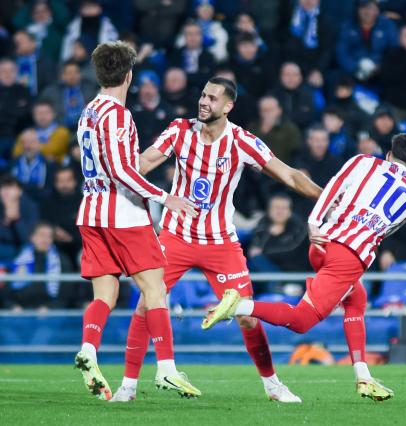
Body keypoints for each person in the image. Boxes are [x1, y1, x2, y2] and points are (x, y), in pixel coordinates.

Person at [112, 76, 323, 403]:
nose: (204, 102)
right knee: (145, 303)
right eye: (203, 95)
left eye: (212, 98)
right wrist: (111, 170)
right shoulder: (180, 130)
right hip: (176, 237)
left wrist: (326, 201)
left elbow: (289, 175)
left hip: (221, 243)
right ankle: (127, 386)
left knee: (247, 316)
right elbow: (143, 164)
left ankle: (272, 384)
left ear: (228, 106)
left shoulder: (241, 141)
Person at [202, 133, 406, 402]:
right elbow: (385, 232)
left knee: (357, 298)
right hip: (348, 258)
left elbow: (333, 187)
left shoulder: (364, 162)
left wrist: (315, 223)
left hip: (321, 243)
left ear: (389, 154)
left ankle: (363, 376)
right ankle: (237, 306)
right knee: (300, 321)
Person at [74, 41, 200, 401]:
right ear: (129, 76)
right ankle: (166, 369)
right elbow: (121, 170)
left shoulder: (88, 112)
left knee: (106, 293)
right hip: (122, 214)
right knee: (155, 289)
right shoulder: (116, 114)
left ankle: (88, 348)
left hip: (91, 211)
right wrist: (166, 197)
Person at [4, 222, 73, 311]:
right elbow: (6, 290)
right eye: (41, 235)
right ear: (32, 237)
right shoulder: (17, 258)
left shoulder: (62, 260)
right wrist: (12, 306)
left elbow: (67, 292)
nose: (45, 239)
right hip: (20, 312)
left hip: (51, 313)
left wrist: (51, 308)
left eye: (49, 236)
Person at [13, 100, 70, 165]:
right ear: (33, 115)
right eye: (38, 113)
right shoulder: (26, 132)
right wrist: (42, 149)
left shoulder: (63, 132)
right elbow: (16, 153)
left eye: (46, 113)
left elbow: (55, 150)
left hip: (57, 169)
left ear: (54, 114)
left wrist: (29, 147)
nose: (42, 116)